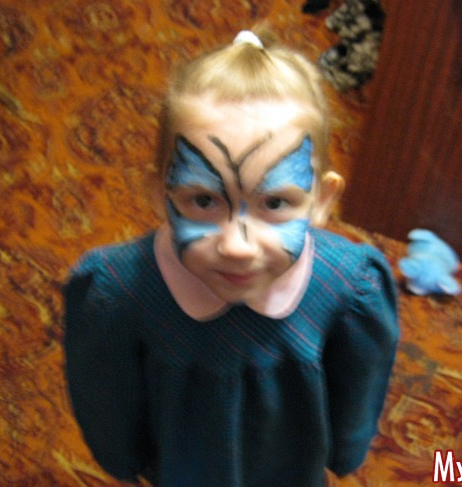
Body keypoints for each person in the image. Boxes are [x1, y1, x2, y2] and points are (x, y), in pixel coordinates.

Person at [63, 27, 399, 487]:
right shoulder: (118, 292)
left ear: (322, 199)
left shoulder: (348, 286)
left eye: (275, 203)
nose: (237, 246)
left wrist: (347, 446)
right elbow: (107, 400)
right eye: (203, 200)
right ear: (159, 192)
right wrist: (122, 458)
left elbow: (359, 384)